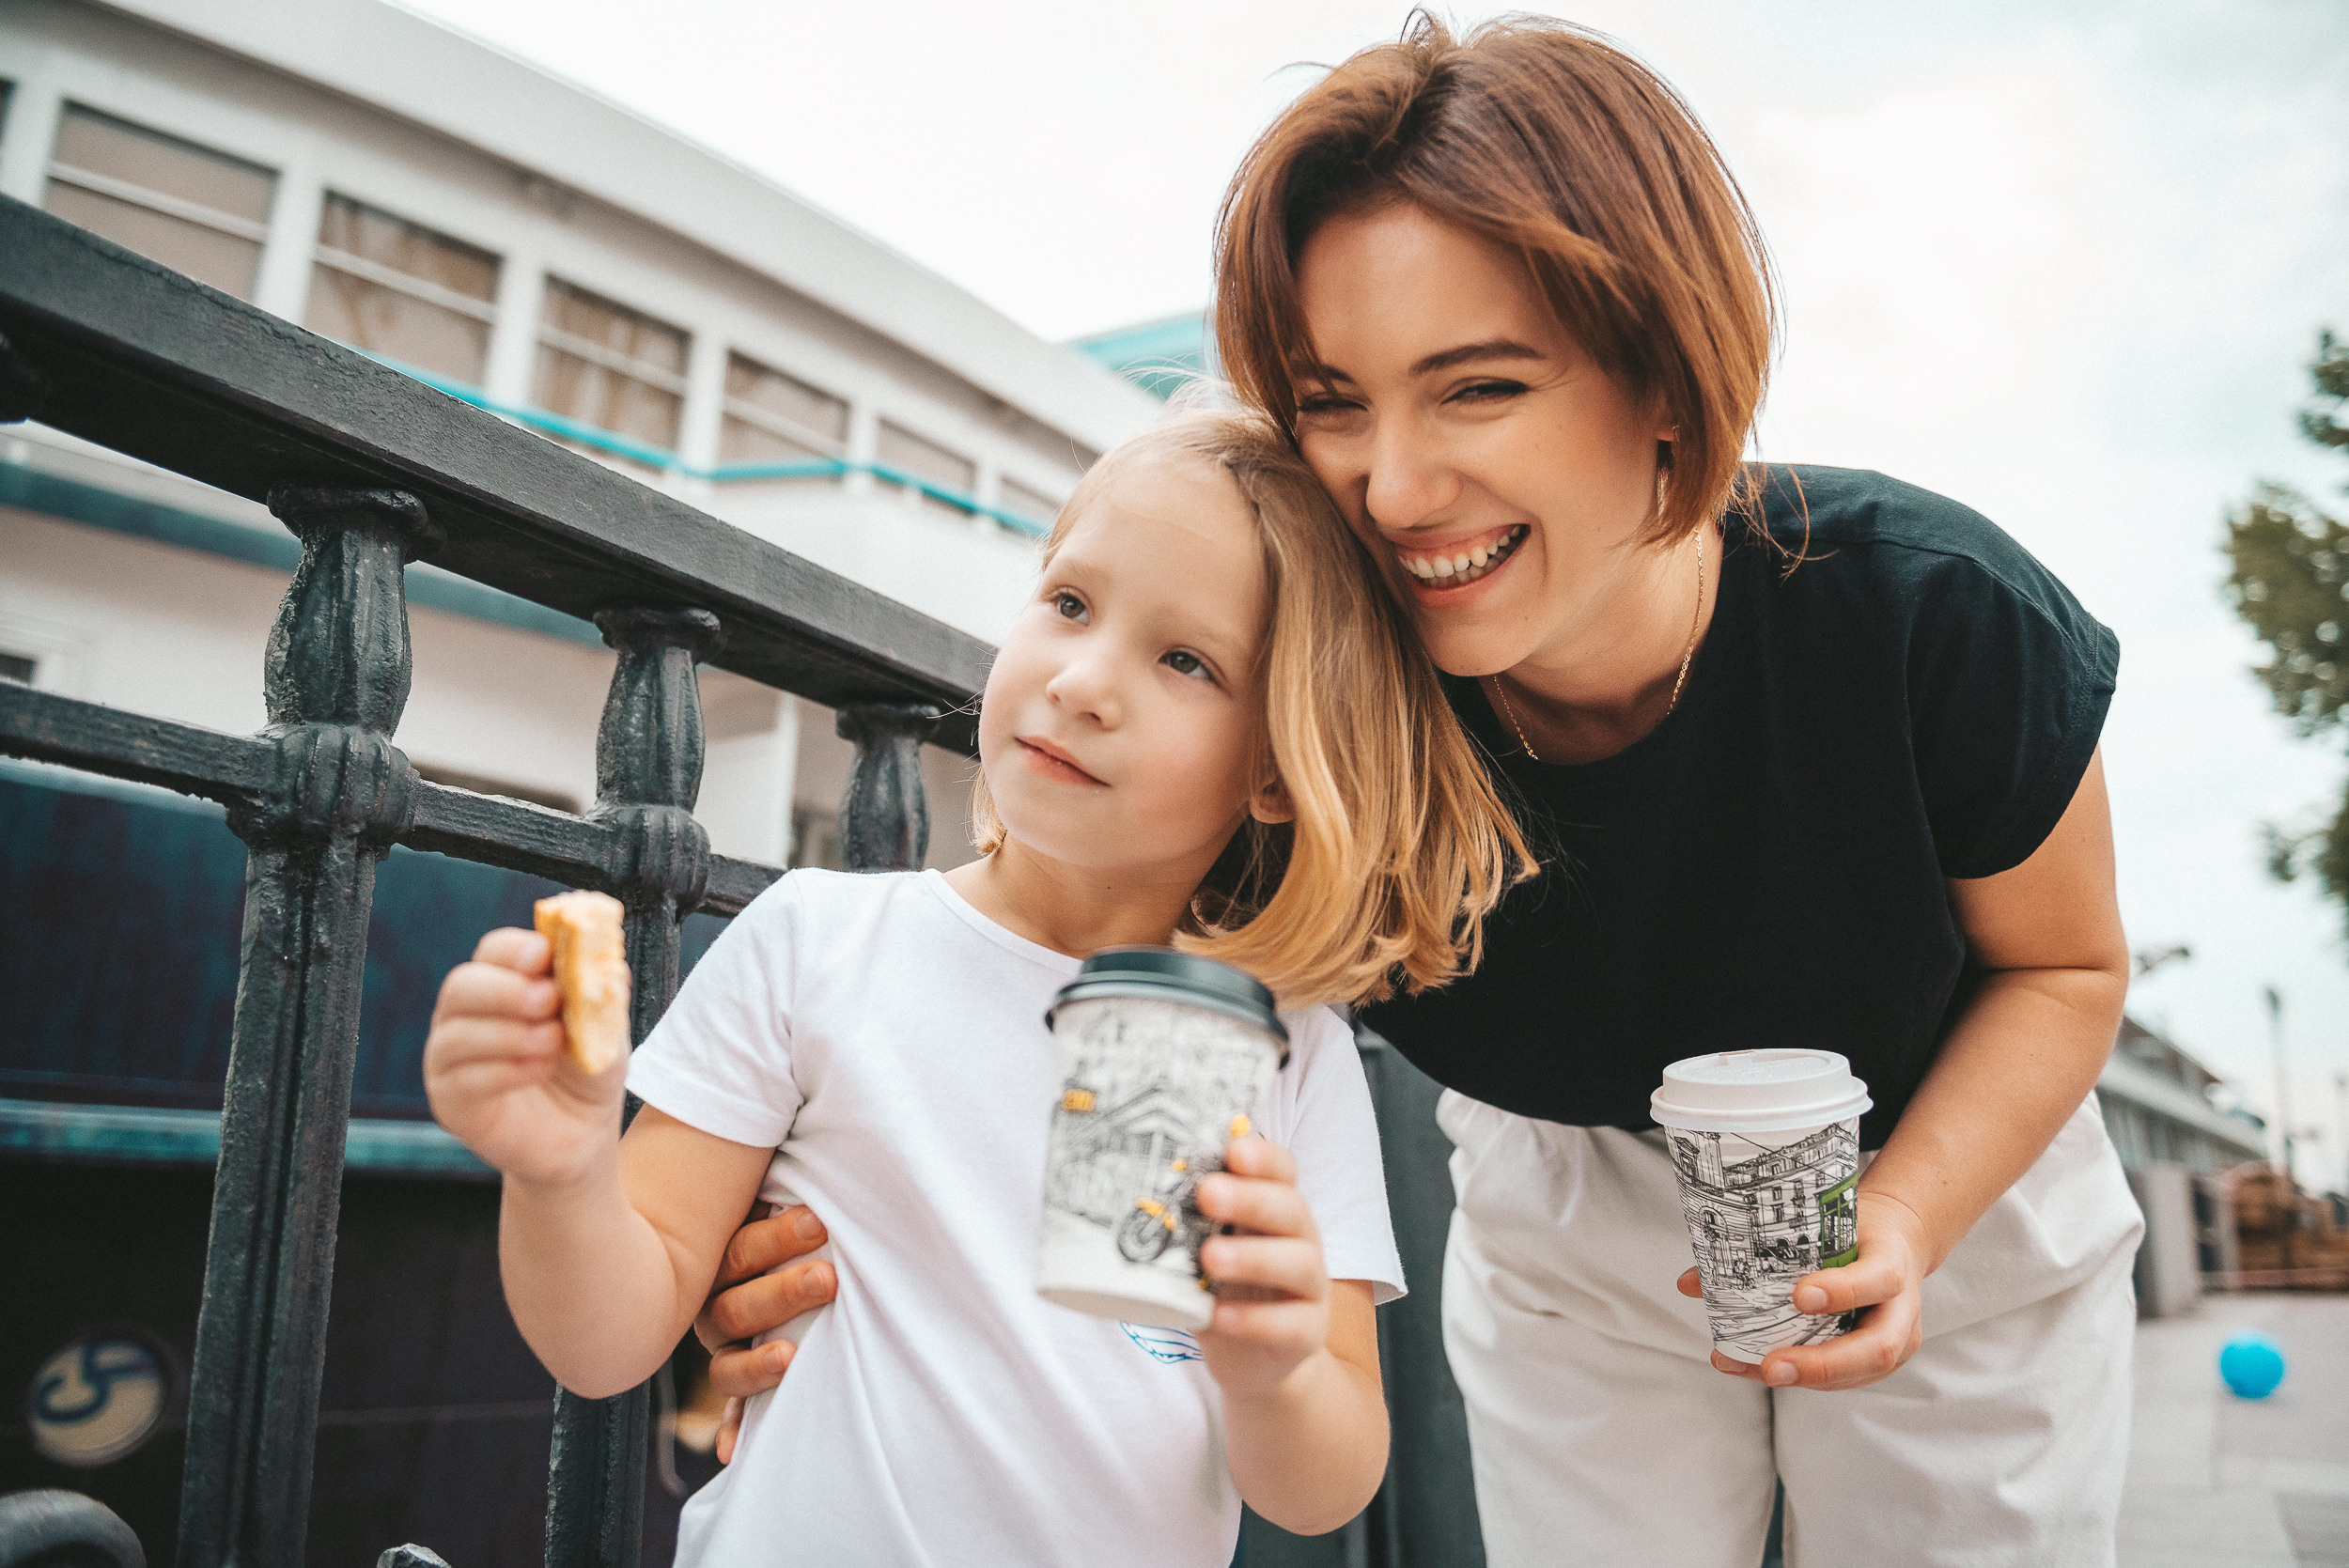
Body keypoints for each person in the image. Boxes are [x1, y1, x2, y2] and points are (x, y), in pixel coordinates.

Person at [699, 17, 2145, 1568]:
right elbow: (1028, 968)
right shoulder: (1301, 704)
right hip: (1562, 1194)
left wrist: (1909, 1215)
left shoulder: (1932, 615)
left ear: (1663, 373)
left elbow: (2063, 966)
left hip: (1949, 1157)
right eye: (1334, 400)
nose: (1392, 488)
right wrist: (780, 1250)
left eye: (1476, 390)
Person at [421, 407, 1529, 1566]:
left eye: (1186, 660)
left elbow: (1322, 1488)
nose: (1085, 681)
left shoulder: (1291, 1048)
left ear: (1275, 767)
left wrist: (1279, 1371)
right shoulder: (811, 941)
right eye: (1069, 603)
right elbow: (607, 1341)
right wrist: (558, 1171)